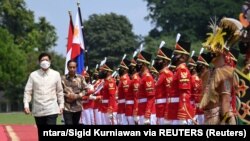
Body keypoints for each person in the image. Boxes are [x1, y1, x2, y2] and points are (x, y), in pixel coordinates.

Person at [200, 17, 242, 124]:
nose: (210, 55)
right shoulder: (212, 71)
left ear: (220, 55)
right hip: (210, 118)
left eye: (213, 53)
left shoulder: (225, 74)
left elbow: (225, 101)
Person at [23, 52, 64, 140]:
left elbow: (60, 91)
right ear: (39, 62)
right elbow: (28, 91)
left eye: (46, 60)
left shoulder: (56, 74)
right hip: (38, 109)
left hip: (52, 109)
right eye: (42, 60)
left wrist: (61, 105)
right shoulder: (33, 75)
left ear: (50, 61)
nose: (44, 62)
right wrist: (26, 104)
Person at [61, 60, 88, 125]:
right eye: (70, 67)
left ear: (76, 68)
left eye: (74, 67)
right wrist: (67, 95)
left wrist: (77, 96)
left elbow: (86, 90)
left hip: (77, 106)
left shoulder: (81, 78)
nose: (72, 69)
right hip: (66, 107)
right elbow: (59, 91)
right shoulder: (62, 78)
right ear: (67, 67)